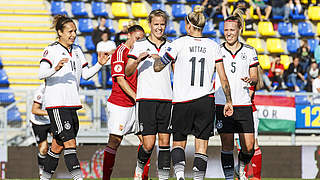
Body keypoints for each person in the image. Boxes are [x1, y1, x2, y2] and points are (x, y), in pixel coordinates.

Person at [152, 5, 233, 180]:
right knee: (202, 146)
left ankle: (180, 175)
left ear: (189, 25)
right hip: (205, 101)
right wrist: (229, 100)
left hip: (182, 101)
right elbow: (223, 78)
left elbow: (158, 67)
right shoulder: (213, 46)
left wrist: (157, 59)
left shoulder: (178, 43)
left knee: (178, 143)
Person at [39, 15, 109, 180]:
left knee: (57, 146)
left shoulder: (77, 50)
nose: (73, 34)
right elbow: (41, 73)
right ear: (60, 33)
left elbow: (85, 74)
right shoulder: (52, 49)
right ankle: (79, 178)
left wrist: (99, 64)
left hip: (72, 104)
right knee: (70, 144)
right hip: (57, 104)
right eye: (69, 31)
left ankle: (44, 178)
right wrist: (55, 68)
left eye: (75, 31)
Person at [125, 9, 172, 180]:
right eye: (156, 24)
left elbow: (177, 72)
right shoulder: (139, 45)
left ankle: (163, 177)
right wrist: (138, 60)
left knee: (165, 143)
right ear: (150, 25)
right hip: (146, 100)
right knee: (148, 144)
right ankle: (139, 169)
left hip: (167, 99)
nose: (159, 28)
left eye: (162, 24)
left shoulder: (171, 46)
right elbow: (127, 72)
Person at [215, 8, 259, 180]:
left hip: (243, 103)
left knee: (249, 147)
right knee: (227, 144)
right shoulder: (217, 50)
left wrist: (251, 80)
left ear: (239, 29)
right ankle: (228, 177)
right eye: (226, 30)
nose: (228, 33)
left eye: (232, 30)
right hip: (222, 103)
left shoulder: (249, 51)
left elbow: (255, 76)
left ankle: (240, 167)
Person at [102, 24, 149, 180]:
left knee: (147, 142)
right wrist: (136, 97)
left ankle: (140, 176)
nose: (139, 42)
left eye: (142, 39)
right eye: (137, 38)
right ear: (129, 35)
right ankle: (106, 178)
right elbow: (120, 80)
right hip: (120, 103)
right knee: (115, 141)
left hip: (136, 104)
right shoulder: (121, 52)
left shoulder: (140, 53)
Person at [235, 66, 264, 180]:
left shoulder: (250, 78)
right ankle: (243, 174)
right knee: (239, 144)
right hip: (238, 112)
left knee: (252, 144)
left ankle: (256, 176)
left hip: (248, 112)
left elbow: (248, 96)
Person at [30, 83, 51, 177]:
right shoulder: (41, 91)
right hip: (38, 123)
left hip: (51, 122)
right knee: (43, 148)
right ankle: (42, 169)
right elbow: (34, 110)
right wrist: (50, 113)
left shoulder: (59, 89)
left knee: (61, 142)